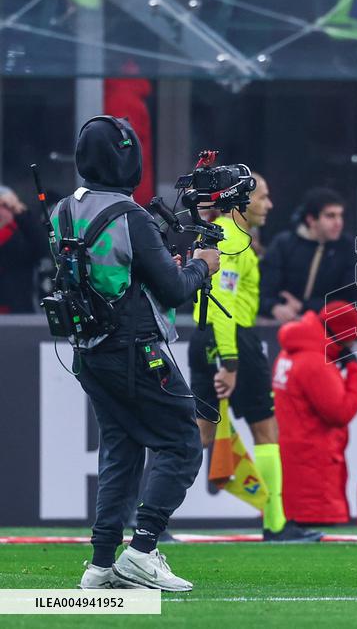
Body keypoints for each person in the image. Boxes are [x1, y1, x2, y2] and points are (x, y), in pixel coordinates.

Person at [61, 116, 220, 591]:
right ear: (130, 159)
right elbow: (174, 290)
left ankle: (101, 563)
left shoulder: (63, 210)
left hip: (89, 349)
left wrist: (162, 270)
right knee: (181, 441)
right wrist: (200, 265)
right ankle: (143, 550)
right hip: (136, 349)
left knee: (121, 449)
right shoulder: (131, 215)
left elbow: (110, 272)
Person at [187, 172, 321, 542]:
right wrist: (229, 362)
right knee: (265, 426)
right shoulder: (231, 240)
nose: (269, 204)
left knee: (197, 432)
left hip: (204, 337)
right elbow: (224, 303)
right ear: (242, 202)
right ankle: (275, 522)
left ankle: (151, 517)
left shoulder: (220, 235)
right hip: (231, 340)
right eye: (262, 197)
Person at [272, 300, 357, 525]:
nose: (351, 347)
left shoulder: (292, 351)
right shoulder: (315, 361)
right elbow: (340, 412)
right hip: (313, 470)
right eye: (351, 340)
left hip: (296, 459)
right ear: (340, 335)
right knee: (317, 541)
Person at [260, 187, 355, 324]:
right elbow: (263, 290)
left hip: (328, 326)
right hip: (281, 324)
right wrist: (274, 307)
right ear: (311, 219)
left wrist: (303, 306)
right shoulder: (284, 244)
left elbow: (349, 299)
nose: (338, 223)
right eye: (330, 216)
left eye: (340, 215)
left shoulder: (345, 247)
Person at [0, 184, 49, 313]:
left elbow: (43, 247)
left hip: (18, 315)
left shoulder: (20, 237)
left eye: (5, 206)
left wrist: (21, 212)